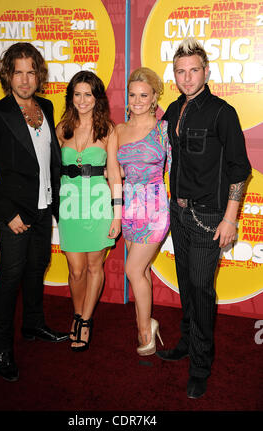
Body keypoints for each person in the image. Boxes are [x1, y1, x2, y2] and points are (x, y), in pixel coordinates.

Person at [157, 38, 251, 398]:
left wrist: (230, 218)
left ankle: (200, 364)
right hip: (177, 213)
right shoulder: (173, 108)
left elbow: (239, 169)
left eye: (193, 70)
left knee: (201, 290)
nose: (187, 77)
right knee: (187, 285)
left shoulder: (221, 112)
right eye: (180, 71)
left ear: (206, 71)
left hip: (208, 216)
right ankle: (185, 342)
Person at [0, 42, 69, 382]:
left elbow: (48, 159)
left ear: (38, 74)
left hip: (44, 208)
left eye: (31, 71)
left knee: (36, 268)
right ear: (7, 75)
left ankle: (33, 325)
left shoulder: (46, 106)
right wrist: (6, 212)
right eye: (18, 72)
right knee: (10, 277)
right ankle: (2, 347)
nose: (25, 79)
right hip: (15, 213)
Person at [56, 71, 122, 352]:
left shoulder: (108, 130)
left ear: (97, 98)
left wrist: (117, 214)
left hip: (97, 205)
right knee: (75, 269)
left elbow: (116, 176)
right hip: (69, 206)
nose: (83, 100)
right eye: (77, 94)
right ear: (71, 97)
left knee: (95, 266)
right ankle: (77, 311)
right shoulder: (62, 129)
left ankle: (84, 320)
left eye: (88, 94)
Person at [116, 67, 171, 356]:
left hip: (155, 208)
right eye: (133, 94)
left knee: (132, 269)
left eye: (144, 95)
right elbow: (115, 174)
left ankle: (144, 332)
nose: (137, 100)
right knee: (144, 270)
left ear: (153, 99)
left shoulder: (163, 129)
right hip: (129, 208)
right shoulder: (119, 130)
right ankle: (148, 320)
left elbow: (174, 171)